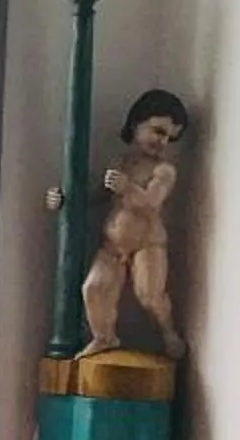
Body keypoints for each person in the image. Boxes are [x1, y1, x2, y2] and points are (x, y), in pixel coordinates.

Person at [78, 89, 189, 358]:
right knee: (94, 287)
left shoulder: (164, 171)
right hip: (114, 244)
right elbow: (98, 195)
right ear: (136, 124)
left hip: (147, 243)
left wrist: (127, 187)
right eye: (157, 131)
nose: (162, 141)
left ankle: (168, 332)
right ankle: (104, 337)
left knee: (150, 294)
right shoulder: (121, 162)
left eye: (169, 137)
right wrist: (66, 198)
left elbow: (152, 203)